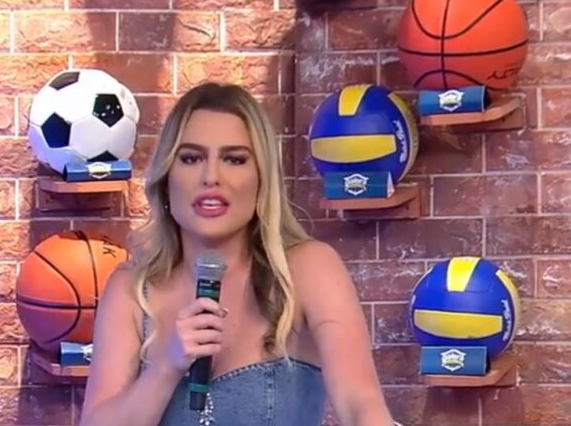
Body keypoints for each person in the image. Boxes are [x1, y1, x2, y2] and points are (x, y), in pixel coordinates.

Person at [79, 82, 397, 426]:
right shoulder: (131, 289)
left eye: (234, 159)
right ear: (167, 178)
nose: (211, 177)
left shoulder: (308, 269)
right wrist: (167, 367)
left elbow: (359, 402)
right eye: (191, 158)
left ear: (261, 179)